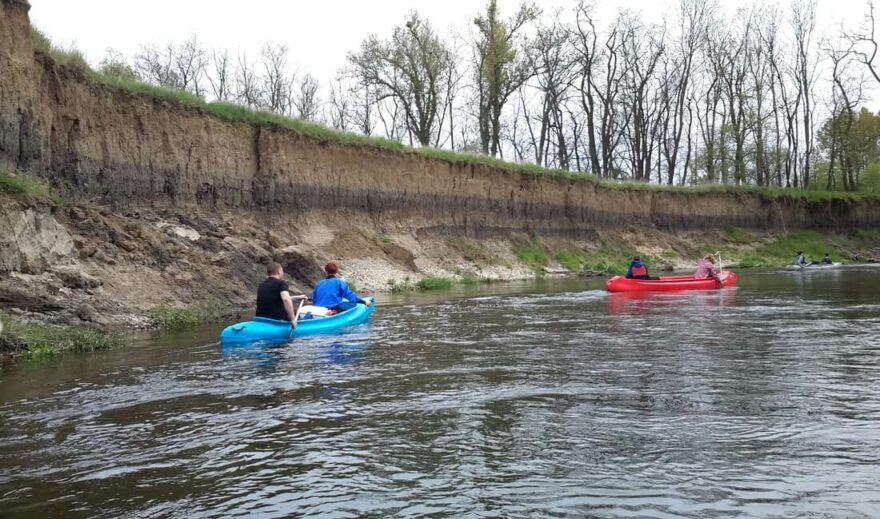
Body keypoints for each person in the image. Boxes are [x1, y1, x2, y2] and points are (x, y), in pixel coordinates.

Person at [256, 262, 307, 327]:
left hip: (261, 319)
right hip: (277, 320)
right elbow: (286, 299)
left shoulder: (262, 285)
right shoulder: (281, 283)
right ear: (279, 272)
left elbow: (278, 298)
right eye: (282, 271)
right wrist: (293, 319)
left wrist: (299, 297)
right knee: (300, 317)